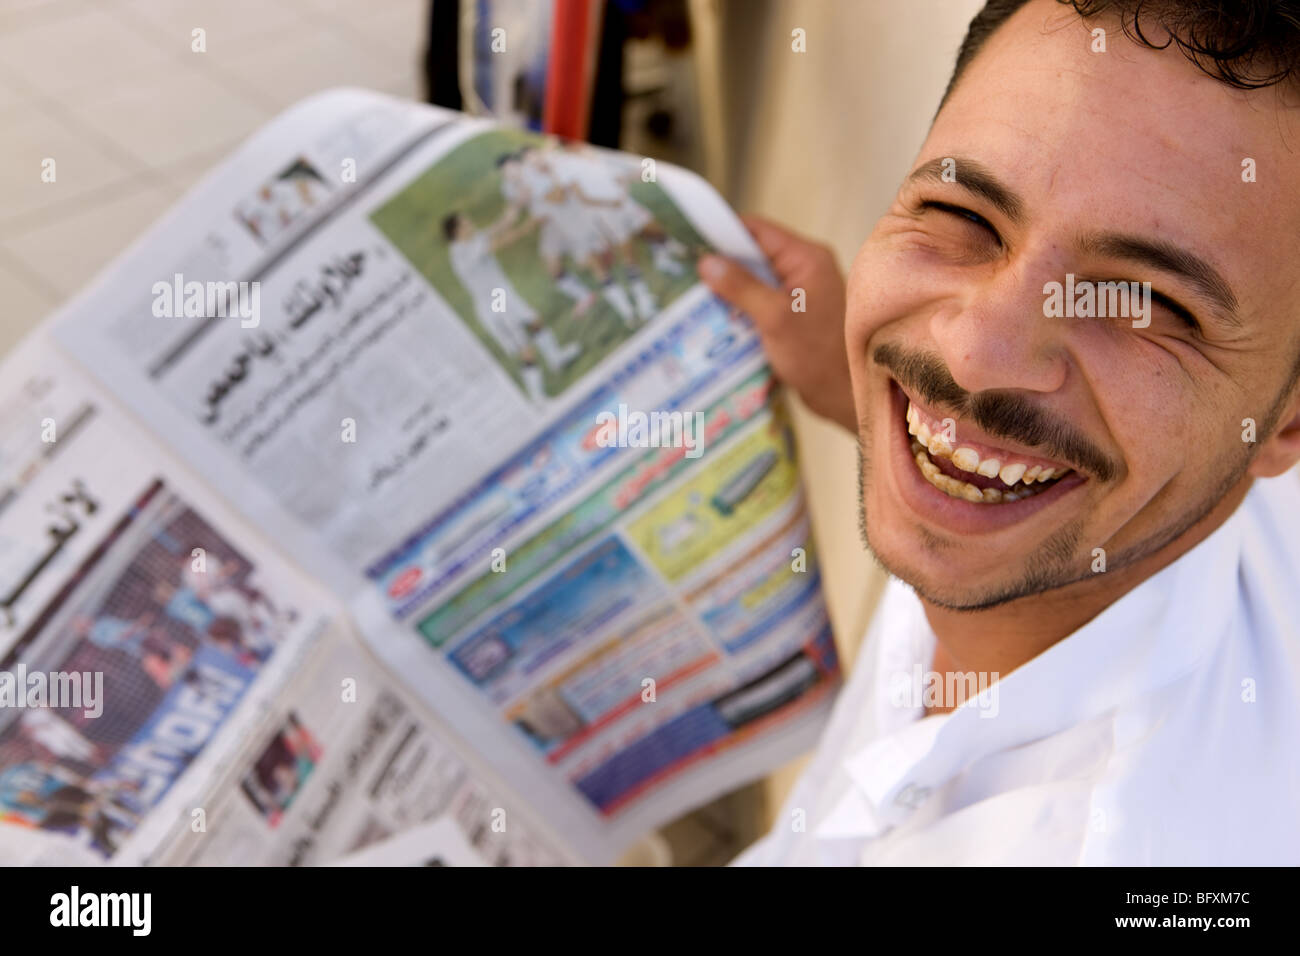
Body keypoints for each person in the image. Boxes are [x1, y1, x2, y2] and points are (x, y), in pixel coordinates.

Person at [702, 0, 1300, 865]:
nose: (976, 354)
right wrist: (858, 385)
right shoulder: (1136, 491)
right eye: (964, 218)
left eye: (1147, 303)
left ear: (1287, 424)